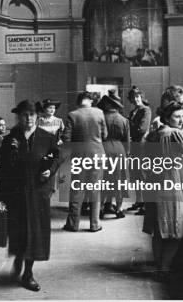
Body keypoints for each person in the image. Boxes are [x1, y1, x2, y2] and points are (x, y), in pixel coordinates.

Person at [0, 100, 63, 292]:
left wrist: (50, 171)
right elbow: (3, 168)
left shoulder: (46, 137)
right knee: (18, 231)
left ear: (37, 116)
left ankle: (28, 273)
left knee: (35, 233)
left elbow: (58, 156)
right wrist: (1, 194)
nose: (29, 118)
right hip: (16, 193)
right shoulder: (10, 139)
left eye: (32, 115)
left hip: (37, 194)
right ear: (18, 117)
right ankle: (18, 258)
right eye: (25, 115)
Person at [143, 101, 183, 279]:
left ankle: (160, 266)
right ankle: (164, 268)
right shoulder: (174, 133)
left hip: (157, 182)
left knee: (159, 230)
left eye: (182, 115)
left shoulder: (156, 133)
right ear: (167, 118)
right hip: (172, 182)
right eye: (177, 116)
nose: (181, 119)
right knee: (177, 230)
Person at [62, 91, 108, 233]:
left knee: (77, 190)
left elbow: (66, 139)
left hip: (79, 156)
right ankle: (95, 224)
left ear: (78, 102)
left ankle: (73, 224)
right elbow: (105, 135)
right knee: (95, 190)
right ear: (91, 101)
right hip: (97, 155)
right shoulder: (99, 113)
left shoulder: (72, 115)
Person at [96, 90, 130, 219]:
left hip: (103, 149)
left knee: (104, 179)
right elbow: (127, 142)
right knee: (119, 180)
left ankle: (100, 208)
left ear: (108, 104)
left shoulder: (100, 118)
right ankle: (119, 209)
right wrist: (127, 154)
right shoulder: (124, 120)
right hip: (119, 150)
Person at [127, 86, 152, 214]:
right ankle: (139, 201)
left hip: (141, 146)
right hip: (134, 146)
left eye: (137, 97)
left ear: (141, 97)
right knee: (135, 174)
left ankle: (146, 204)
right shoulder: (133, 112)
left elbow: (142, 129)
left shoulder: (146, 110)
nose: (136, 100)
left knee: (142, 174)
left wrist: (130, 128)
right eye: (133, 98)